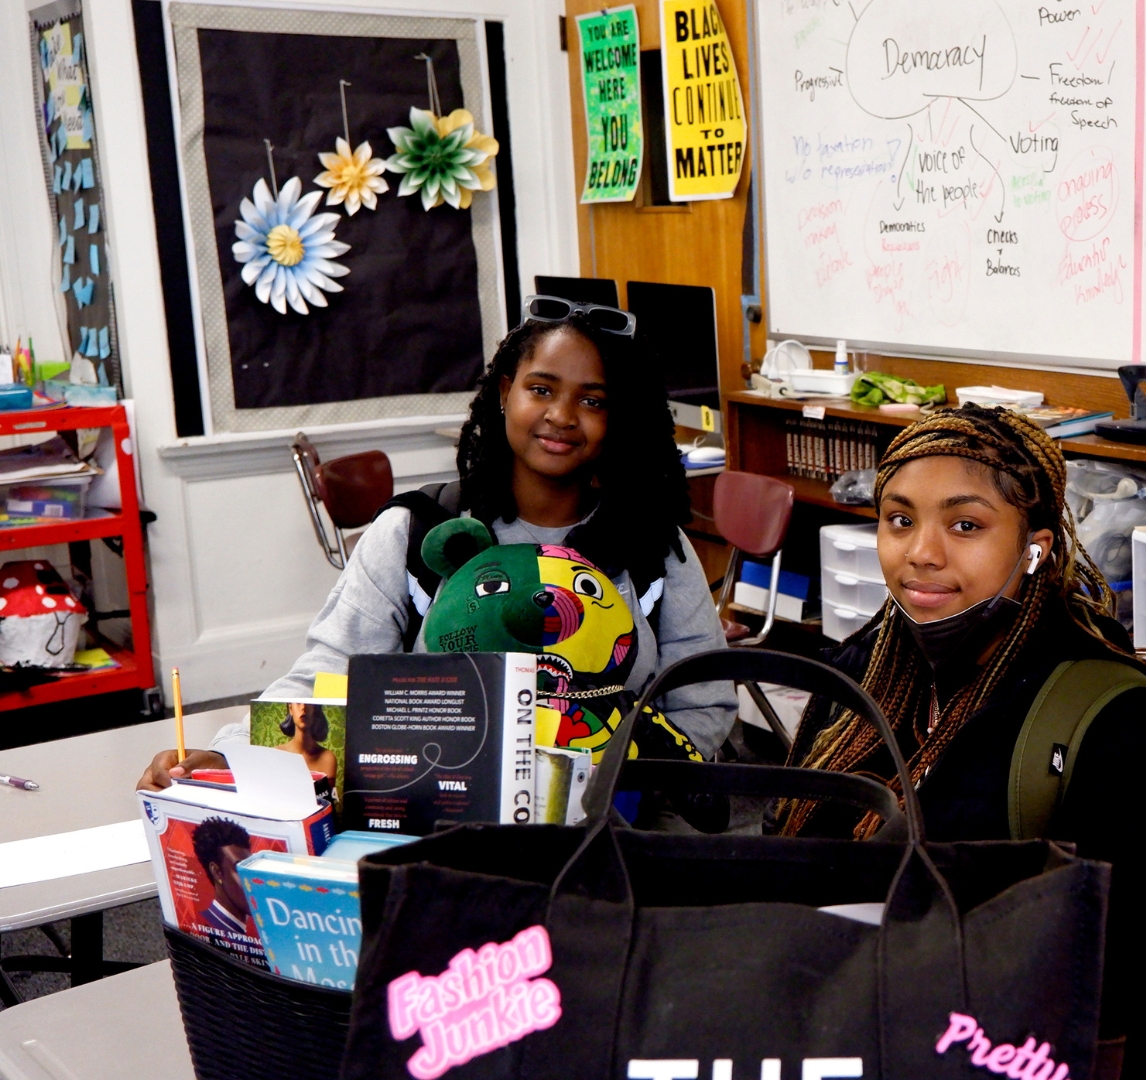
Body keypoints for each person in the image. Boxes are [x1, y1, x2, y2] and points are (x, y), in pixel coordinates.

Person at [139, 296, 733, 791]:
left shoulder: (652, 545)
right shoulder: (415, 531)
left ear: (617, 418)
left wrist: (627, 790)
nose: (562, 415)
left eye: (593, 400)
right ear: (506, 392)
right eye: (541, 389)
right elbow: (327, 674)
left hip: (608, 833)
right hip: (433, 821)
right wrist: (231, 757)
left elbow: (703, 701)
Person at [777, 404, 1146, 1080]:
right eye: (899, 519)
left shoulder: (1104, 716)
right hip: (847, 1036)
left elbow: (1137, 956)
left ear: (1034, 545)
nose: (921, 552)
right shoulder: (858, 677)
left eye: (966, 525)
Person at [191, 817, 257, 957]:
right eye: (240, 869)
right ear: (217, 872)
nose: (251, 882)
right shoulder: (205, 931)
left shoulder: (245, 934)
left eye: (251, 868)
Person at [277, 701, 338, 784]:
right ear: (291, 708)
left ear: (315, 709)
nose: (303, 708)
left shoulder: (327, 758)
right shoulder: (276, 754)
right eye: (298, 703)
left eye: (308, 703)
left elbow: (326, 796)